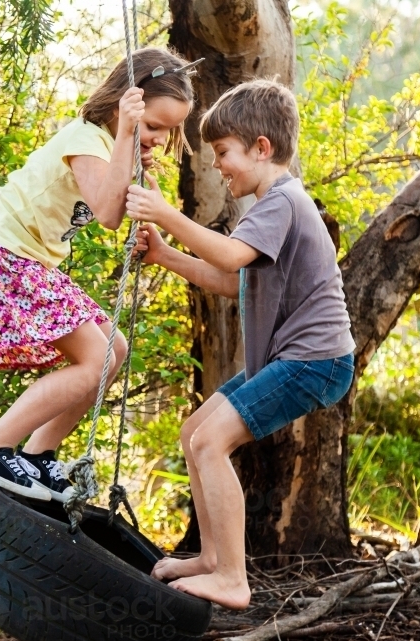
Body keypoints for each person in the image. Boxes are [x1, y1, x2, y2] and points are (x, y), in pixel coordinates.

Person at [125, 79, 355, 608]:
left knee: (211, 443)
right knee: (194, 433)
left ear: (261, 148)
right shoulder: (274, 205)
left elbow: (229, 258)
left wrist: (166, 215)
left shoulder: (280, 201)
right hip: (299, 360)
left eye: (223, 152)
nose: (218, 165)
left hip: (313, 361)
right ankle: (212, 557)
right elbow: (235, 280)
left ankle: (232, 577)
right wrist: (165, 255)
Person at [0, 48, 196, 503]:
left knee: (112, 352)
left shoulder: (117, 147)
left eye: (169, 130)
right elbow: (106, 212)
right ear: (127, 105)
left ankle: (41, 453)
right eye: (155, 126)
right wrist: (126, 133)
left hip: (25, 258)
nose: (161, 139)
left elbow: (127, 203)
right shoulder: (86, 138)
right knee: (93, 360)